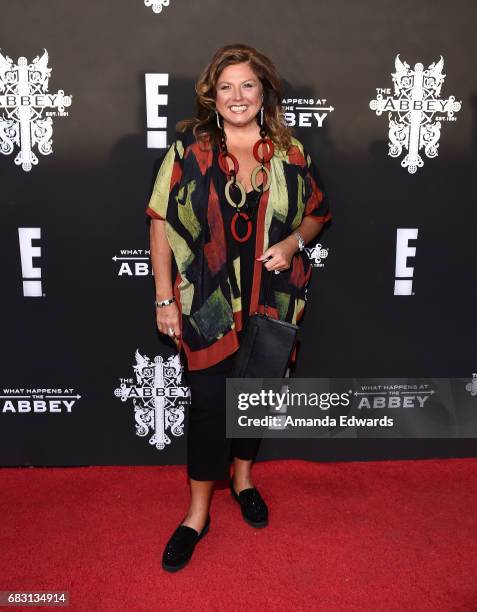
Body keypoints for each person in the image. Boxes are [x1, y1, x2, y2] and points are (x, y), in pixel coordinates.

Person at [146, 43, 331, 572]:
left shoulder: (292, 151)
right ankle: (197, 514)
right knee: (208, 406)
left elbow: (318, 212)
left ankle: (243, 479)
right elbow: (160, 219)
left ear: (263, 91)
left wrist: (294, 242)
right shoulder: (191, 151)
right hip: (207, 304)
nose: (237, 96)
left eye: (247, 85)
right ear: (212, 94)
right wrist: (164, 298)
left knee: (253, 398)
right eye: (226, 87)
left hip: (272, 301)